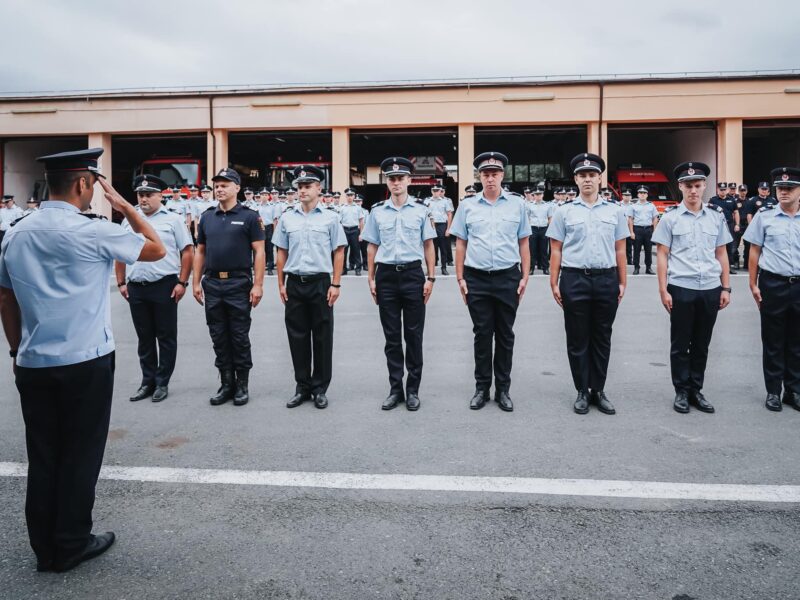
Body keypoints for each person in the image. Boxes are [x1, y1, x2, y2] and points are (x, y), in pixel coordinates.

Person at [0, 148, 166, 572]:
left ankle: (45, 547)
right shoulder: (94, 231)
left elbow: (5, 296)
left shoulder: (17, 232)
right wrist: (127, 206)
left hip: (33, 360)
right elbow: (156, 248)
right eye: (93, 184)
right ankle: (71, 542)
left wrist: (18, 348)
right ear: (83, 184)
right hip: (84, 361)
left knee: (44, 454)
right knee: (80, 454)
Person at [547, 153, 629, 415]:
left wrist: (622, 281)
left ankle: (599, 389)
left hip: (606, 278)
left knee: (602, 336)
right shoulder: (564, 212)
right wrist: (554, 281)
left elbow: (620, 250)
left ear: (599, 178)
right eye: (582, 176)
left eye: (592, 175)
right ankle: (582, 390)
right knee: (577, 337)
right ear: (575, 179)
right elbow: (556, 250)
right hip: (574, 278)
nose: (587, 180)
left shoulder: (615, 211)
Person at [450, 152, 530, 412]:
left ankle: (503, 389)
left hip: (508, 276)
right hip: (477, 278)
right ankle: (482, 388)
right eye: (485, 174)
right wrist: (460, 277)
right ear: (480, 177)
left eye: (495, 174)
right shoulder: (468, 206)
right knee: (482, 334)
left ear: (502, 176)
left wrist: (525, 276)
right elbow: (460, 243)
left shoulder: (517, 205)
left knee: (505, 335)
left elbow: (524, 242)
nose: (490, 178)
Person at [652, 162, 732, 414]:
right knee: (680, 343)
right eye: (688, 186)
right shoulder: (670, 218)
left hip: (710, 287)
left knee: (701, 343)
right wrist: (663, 289)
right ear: (680, 187)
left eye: (697, 185)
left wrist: (726, 287)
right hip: (681, 286)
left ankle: (696, 388)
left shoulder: (716, 217)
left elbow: (722, 253)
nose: (693, 190)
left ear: (704, 186)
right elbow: (662, 255)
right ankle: (681, 391)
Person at [362, 157, 437, 411]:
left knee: (414, 336)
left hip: (413, 275)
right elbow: (372, 246)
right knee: (392, 337)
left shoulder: (420, 210)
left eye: (400, 178)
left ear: (408, 180)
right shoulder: (377, 211)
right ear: (388, 181)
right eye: (391, 178)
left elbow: (428, 245)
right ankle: (395, 389)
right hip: (386, 276)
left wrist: (431, 277)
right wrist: (371, 278)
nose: (396, 182)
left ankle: (413, 390)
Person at [115, 175, 194, 403]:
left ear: (161, 195)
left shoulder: (173, 220)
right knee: (144, 337)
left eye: (149, 194)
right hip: (137, 287)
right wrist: (121, 282)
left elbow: (187, 251)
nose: (144, 199)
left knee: (166, 336)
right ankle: (147, 381)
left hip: (164, 285)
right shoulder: (128, 220)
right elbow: (120, 252)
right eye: (140, 195)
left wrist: (182, 282)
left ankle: (162, 382)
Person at [273, 165, 346, 409]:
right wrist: (281, 282)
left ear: (318, 188)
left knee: (323, 336)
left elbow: (339, 251)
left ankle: (320, 388)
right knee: (297, 336)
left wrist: (336, 283)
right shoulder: (287, 217)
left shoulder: (331, 217)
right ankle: (302, 386)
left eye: (307, 186)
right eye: (299, 187)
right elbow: (281, 250)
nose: (302, 190)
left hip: (321, 283)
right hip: (295, 282)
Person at [193, 167, 266, 406]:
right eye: (217, 185)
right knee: (218, 336)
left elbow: (259, 251)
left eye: (225, 184)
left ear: (237, 188)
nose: (219, 188)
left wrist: (257, 285)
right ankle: (226, 384)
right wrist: (195, 282)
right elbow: (200, 251)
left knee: (239, 336)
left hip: (238, 283)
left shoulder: (249, 216)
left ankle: (242, 385)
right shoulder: (206, 217)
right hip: (212, 283)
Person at [743, 167, 800, 412]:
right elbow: (754, 251)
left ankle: (794, 390)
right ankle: (773, 392)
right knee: (773, 341)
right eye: (780, 189)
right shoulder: (764, 216)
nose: (784, 192)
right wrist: (753, 284)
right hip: (773, 284)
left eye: (789, 188)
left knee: (796, 342)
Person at [708, 181, 740, 274]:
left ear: (726, 190)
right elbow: (709, 213)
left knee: (729, 247)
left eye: (724, 190)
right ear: (718, 190)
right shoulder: (713, 200)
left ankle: (728, 267)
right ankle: (715, 267)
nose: (722, 191)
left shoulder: (732, 200)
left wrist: (737, 224)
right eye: (721, 190)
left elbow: (736, 212)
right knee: (716, 246)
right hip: (716, 226)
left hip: (728, 225)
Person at [629, 185, 659, 274]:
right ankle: (636, 267)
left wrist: (655, 231)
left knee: (648, 250)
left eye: (644, 193)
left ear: (647, 195)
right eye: (641, 193)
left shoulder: (652, 206)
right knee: (636, 250)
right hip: (637, 229)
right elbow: (630, 219)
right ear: (638, 195)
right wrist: (631, 232)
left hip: (648, 229)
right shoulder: (633, 206)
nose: (642, 194)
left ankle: (648, 268)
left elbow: (655, 218)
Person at [427, 184, 454, 275]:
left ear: (440, 191)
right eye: (434, 190)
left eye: (437, 190)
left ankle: (444, 268)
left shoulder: (445, 201)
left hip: (442, 225)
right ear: (431, 191)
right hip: (431, 225)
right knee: (430, 248)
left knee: (443, 248)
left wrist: (448, 229)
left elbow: (449, 214)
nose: (435, 192)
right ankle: (430, 270)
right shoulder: (427, 201)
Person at [526, 186, 552, 275]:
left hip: (544, 228)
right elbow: (527, 218)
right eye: (536, 194)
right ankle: (531, 268)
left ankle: (545, 268)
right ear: (534, 195)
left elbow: (550, 218)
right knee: (532, 249)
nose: (538, 196)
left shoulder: (547, 205)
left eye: (540, 194)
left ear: (543, 195)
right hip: (533, 228)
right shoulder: (529, 205)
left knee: (544, 249)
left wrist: (548, 229)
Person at [339, 188, 364, 275]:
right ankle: (343, 269)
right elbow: (339, 221)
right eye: (348, 195)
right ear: (346, 196)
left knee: (356, 250)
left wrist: (361, 234)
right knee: (344, 251)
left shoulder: (358, 208)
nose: (349, 197)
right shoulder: (342, 208)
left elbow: (361, 221)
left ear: (354, 196)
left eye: (351, 195)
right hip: (345, 230)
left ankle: (358, 269)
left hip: (354, 230)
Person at [257, 188, 276, 275]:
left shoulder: (272, 206)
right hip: (259, 228)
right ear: (260, 196)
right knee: (260, 248)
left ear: (268, 196)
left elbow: (274, 220)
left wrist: (275, 231)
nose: (264, 196)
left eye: (266, 195)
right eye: (262, 195)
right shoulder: (257, 206)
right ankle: (261, 266)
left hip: (269, 228)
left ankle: (270, 267)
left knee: (269, 248)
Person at [619, 189, 635, 265]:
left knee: (629, 245)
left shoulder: (633, 205)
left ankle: (630, 260)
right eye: (625, 195)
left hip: (630, 227)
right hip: (620, 227)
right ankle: (620, 260)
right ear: (622, 196)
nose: (627, 197)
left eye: (628, 195)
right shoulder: (618, 205)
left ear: (631, 197)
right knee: (620, 244)